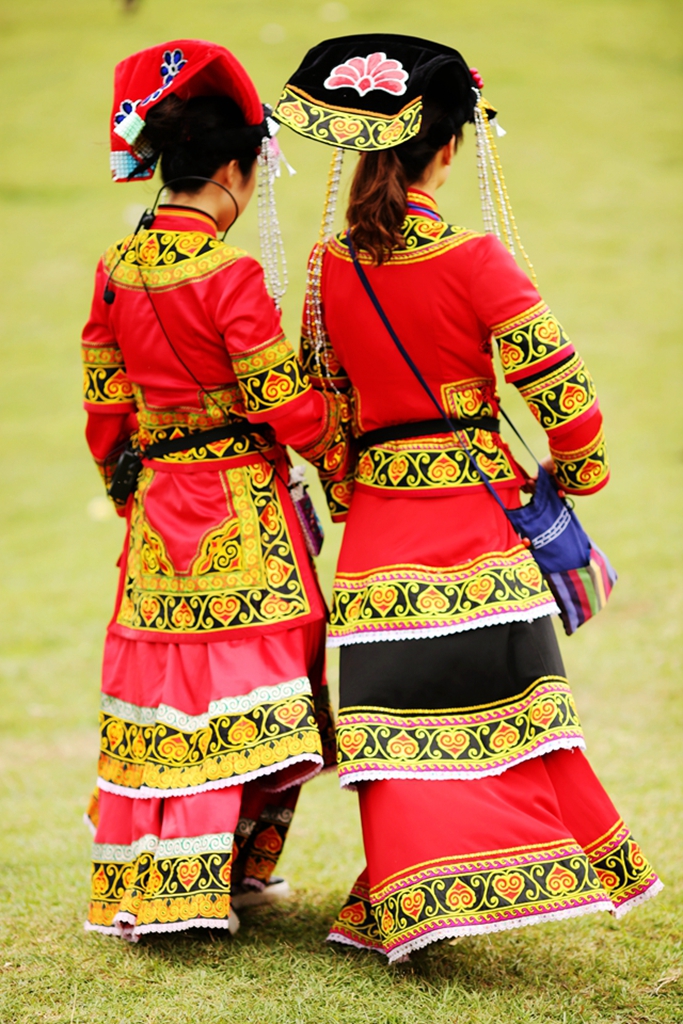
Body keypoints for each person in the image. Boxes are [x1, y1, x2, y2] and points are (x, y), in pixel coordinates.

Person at [274, 34, 662, 962]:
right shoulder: (477, 259)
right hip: (477, 536)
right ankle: (527, 868)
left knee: (397, 740)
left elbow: (319, 404)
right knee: (513, 721)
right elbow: (563, 392)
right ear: (447, 147)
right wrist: (576, 476)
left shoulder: (332, 266)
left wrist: (347, 483)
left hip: (375, 542)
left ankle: (407, 895)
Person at [81, 40, 349, 940]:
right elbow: (283, 403)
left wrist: (133, 495)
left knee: (170, 686)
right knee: (255, 677)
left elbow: (103, 407)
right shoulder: (230, 275)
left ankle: (160, 884)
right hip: (242, 507)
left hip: (161, 510)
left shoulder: (114, 270)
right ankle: (230, 871)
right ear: (230, 170)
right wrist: (344, 458)